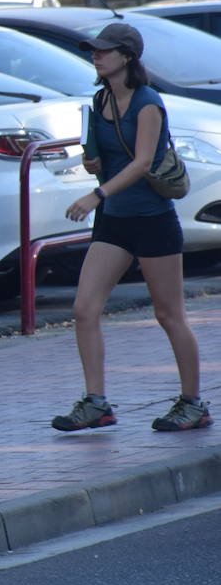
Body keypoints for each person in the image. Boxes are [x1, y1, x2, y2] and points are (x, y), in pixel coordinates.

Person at [56, 22, 211, 432]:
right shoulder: (100, 100)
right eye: (93, 50)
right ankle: (96, 403)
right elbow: (111, 161)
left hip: (152, 220)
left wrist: (96, 194)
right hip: (115, 223)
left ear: (126, 57)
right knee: (84, 309)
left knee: (169, 314)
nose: (96, 55)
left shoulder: (148, 102)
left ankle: (193, 403)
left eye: (105, 50)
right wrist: (94, 167)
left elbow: (143, 162)